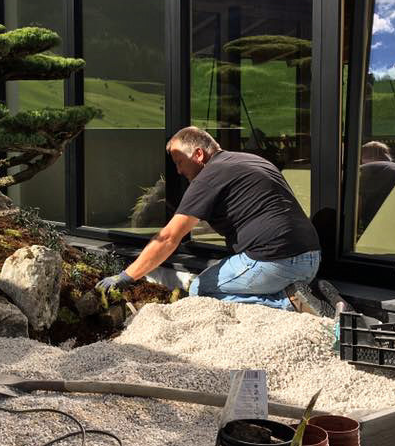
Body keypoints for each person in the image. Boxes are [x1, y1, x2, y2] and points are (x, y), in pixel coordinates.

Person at [96, 126, 335, 315]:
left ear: (198, 154)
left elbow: (169, 237)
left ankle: (288, 303)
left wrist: (126, 276)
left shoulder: (208, 177)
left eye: (179, 162)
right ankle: (304, 292)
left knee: (201, 288)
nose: (178, 171)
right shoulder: (251, 161)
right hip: (312, 259)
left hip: (276, 262)